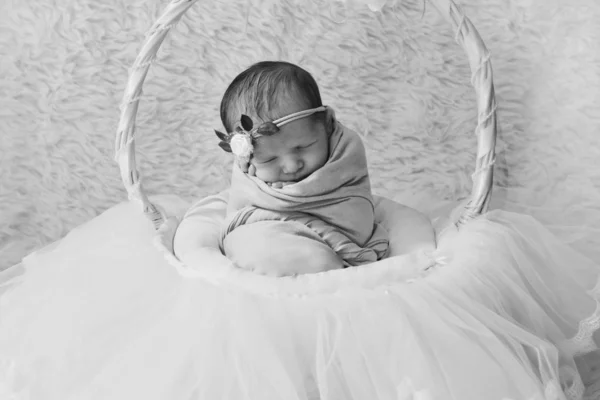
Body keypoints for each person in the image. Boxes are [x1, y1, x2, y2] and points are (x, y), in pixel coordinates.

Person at [174, 61, 393, 277]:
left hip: (333, 235)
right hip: (269, 229)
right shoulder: (249, 171)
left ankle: (318, 265)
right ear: (247, 158)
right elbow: (243, 203)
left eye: (303, 147)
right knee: (248, 242)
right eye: (269, 160)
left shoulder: (345, 150)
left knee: (309, 258)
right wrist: (269, 192)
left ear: (326, 124)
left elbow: (353, 207)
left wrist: (293, 192)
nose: (291, 166)